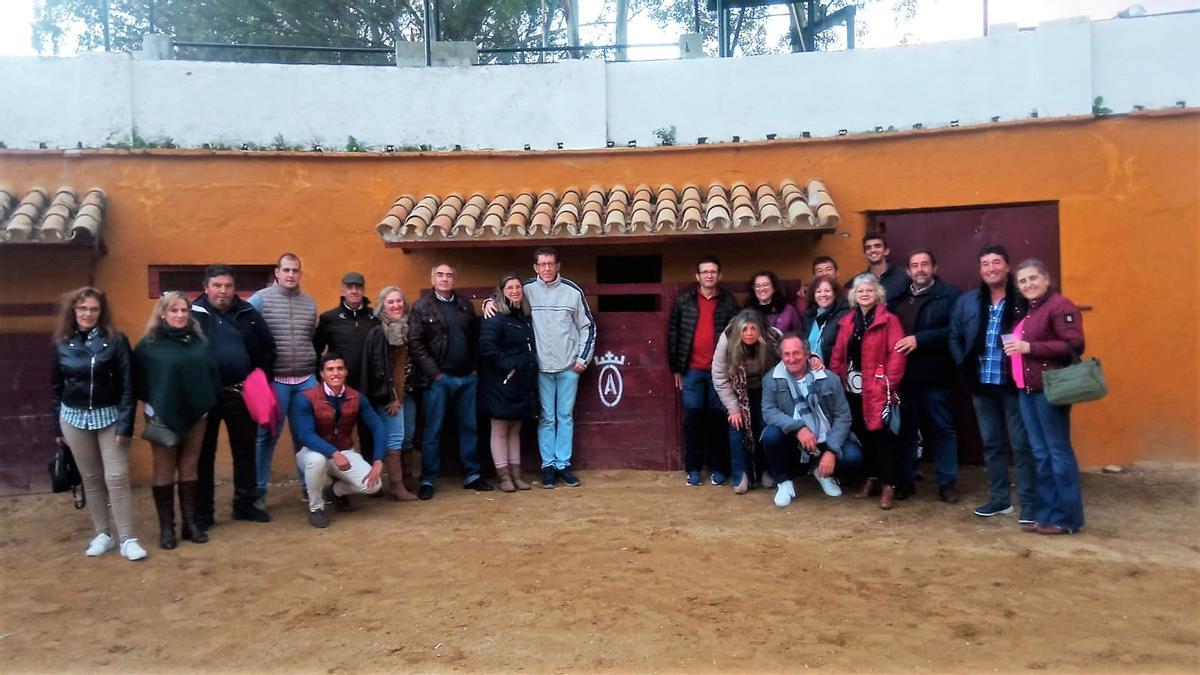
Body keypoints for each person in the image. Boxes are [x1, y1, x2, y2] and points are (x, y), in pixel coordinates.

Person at [485, 248, 595, 488]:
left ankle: (562, 465)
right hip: (541, 367)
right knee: (546, 417)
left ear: (558, 266)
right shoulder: (527, 290)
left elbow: (588, 326)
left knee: (564, 416)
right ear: (535, 267)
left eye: (550, 264)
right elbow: (504, 297)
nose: (546, 268)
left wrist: (583, 358)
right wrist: (486, 303)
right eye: (542, 264)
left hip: (568, 365)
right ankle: (547, 466)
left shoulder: (572, 291)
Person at [50, 287, 145, 561]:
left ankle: (128, 538)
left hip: (110, 417)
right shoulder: (61, 343)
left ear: (101, 312)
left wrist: (125, 426)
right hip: (74, 419)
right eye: (82, 309)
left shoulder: (115, 341)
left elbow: (129, 386)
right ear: (73, 311)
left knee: (116, 477)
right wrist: (58, 429)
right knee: (90, 479)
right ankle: (103, 533)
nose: (88, 314)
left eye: (93, 309)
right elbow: (56, 387)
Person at [948, 245, 1036, 523]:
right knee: (992, 444)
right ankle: (1000, 499)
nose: (991, 268)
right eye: (985, 264)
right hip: (982, 384)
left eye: (996, 262)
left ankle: (1030, 502)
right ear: (980, 270)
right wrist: (963, 364)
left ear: (1008, 267)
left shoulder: (1023, 298)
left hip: (1015, 384)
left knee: (1022, 444)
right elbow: (954, 335)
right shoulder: (969, 301)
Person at [1003, 260, 1086, 535]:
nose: (1028, 284)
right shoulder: (1030, 310)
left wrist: (1030, 347)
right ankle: (1046, 514)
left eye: (1033, 278)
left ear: (1046, 279)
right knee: (1040, 453)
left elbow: (1074, 344)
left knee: (1057, 453)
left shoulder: (1060, 306)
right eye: (1023, 281)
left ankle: (1067, 519)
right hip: (1027, 390)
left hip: (1050, 389)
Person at [134, 292, 221, 549]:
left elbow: (210, 375)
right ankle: (166, 528)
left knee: (190, 465)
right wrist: (153, 407)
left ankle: (191, 524)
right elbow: (139, 380)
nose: (180, 315)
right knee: (163, 467)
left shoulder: (199, 343)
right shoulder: (148, 346)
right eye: (174, 311)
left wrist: (203, 401)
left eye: (184, 310)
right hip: (161, 415)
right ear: (163, 313)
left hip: (197, 413)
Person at [191, 264, 275, 527]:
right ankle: (203, 512)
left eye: (227, 286)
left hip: (240, 393)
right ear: (206, 288)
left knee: (245, 451)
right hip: (205, 395)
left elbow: (267, 349)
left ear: (234, 288)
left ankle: (245, 505)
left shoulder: (248, 313)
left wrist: (259, 381)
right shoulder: (192, 314)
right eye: (217, 286)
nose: (223, 291)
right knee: (204, 454)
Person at [409, 263, 491, 499]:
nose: (445, 279)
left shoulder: (464, 304)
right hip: (438, 379)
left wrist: (474, 368)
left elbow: (476, 338)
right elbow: (415, 343)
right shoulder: (421, 307)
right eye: (440, 275)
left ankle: (472, 475)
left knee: (470, 428)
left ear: (454, 278)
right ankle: (427, 479)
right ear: (432, 278)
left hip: (467, 378)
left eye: (449, 275)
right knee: (433, 430)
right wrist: (435, 374)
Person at [829, 274, 907, 509]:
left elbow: (897, 354)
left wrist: (887, 384)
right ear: (854, 295)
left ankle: (889, 485)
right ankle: (871, 478)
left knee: (883, 438)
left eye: (869, 290)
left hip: (878, 389)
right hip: (852, 388)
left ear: (878, 294)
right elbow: (838, 353)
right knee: (864, 436)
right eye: (860, 290)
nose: (864, 294)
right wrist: (835, 379)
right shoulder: (848, 322)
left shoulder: (889, 320)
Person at [890, 249, 962, 503]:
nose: (919, 269)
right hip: (906, 377)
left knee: (943, 429)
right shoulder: (898, 299)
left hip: (937, 375)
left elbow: (955, 330)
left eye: (924, 264)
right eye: (914, 265)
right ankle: (906, 481)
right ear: (908, 271)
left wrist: (920, 340)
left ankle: (947, 483)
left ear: (934, 267)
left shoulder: (950, 296)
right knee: (907, 430)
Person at [761, 334, 865, 507]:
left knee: (854, 458)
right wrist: (798, 428)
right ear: (781, 356)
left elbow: (843, 416)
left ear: (807, 354)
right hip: (794, 440)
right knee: (770, 435)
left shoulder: (829, 378)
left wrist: (832, 450)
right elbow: (769, 412)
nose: (791, 359)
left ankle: (822, 472)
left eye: (796, 353)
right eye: (786, 354)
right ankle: (784, 483)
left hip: (826, 437)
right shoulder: (771, 379)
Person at [248, 252, 318, 502]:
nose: (290, 274)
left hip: (306, 380)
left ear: (300, 273)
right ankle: (258, 492)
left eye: (295, 270)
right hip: (275, 381)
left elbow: (309, 336)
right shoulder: (260, 300)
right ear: (277, 272)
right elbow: (248, 333)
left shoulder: (310, 303)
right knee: (267, 436)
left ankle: (309, 488)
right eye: (286, 270)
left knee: (306, 436)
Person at [292, 353, 387, 528]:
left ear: (346, 372)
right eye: (330, 369)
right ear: (322, 374)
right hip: (312, 452)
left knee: (373, 485)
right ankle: (316, 508)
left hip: (343, 451)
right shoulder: (305, 398)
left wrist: (378, 459)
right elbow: (305, 434)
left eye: (340, 369)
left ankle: (334, 492)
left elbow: (378, 426)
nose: (335, 373)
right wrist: (333, 453)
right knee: (317, 460)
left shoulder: (356, 397)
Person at [668, 255, 739, 486]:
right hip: (692, 370)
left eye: (713, 271)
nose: (709, 275)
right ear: (697, 276)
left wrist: (732, 368)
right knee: (694, 419)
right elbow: (674, 334)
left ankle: (718, 467)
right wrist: (676, 368)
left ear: (720, 275)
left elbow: (735, 337)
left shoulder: (728, 302)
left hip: (719, 372)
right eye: (705, 272)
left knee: (717, 420)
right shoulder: (684, 301)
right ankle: (694, 469)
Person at [478, 274, 539, 492]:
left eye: (518, 287)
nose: (515, 290)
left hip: (521, 381)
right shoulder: (494, 316)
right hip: (501, 382)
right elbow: (486, 346)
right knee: (500, 428)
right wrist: (509, 367)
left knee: (515, 428)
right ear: (502, 291)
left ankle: (516, 475)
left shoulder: (523, 317)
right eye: (510, 287)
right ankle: (503, 476)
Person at [360, 285, 418, 502]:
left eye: (399, 301)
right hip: (389, 396)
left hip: (408, 392)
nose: (396, 305)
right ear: (382, 306)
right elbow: (377, 368)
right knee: (394, 438)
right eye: (390, 302)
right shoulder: (378, 332)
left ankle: (407, 479)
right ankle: (396, 486)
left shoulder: (405, 327)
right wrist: (390, 397)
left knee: (407, 436)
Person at [314, 271, 380, 460]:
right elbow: (316, 350)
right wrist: (322, 380)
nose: (354, 291)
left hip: (369, 387)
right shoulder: (329, 318)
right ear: (343, 290)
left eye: (358, 287)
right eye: (350, 287)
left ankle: (370, 481)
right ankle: (337, 480)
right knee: (338, 434)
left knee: (369, 432)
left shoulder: (374, 317)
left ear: (363, 290)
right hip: (340, 389)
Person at [712, 310, 779, 493]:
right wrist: (733, 408)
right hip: (737, 392)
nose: (749, 333)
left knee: (763, 427)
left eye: (753, 328)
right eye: (745, 329)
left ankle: (765, 471)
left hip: (765, 390)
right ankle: (742, 475)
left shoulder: (773, 337)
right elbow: (719, 377)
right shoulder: (726, 340)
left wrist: (813, 358)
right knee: (737, 430)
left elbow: (792, 354)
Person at [800, 276, 851, 365]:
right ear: (813, 295)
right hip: (810, 369)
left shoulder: (845, 315)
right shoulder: (809, 316)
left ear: (835, 294)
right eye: (818, 291)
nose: (823, 294)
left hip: (833, 370)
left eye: (827, 291)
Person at [847, 233, 908, 305]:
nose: (873, 250)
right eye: (868, 248)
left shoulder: (904, 275)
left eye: (877, 246)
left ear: (886, 251)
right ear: (865, 254)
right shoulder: (857, 281)